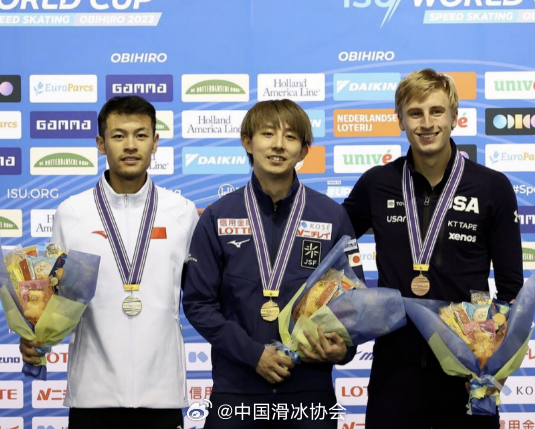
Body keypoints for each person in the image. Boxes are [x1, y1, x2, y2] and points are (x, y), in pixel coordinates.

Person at [342, 69, 523, 429]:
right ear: (400, 121)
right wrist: (350, 299)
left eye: (437, 111)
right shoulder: (377, 184)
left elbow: (511, 289)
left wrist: (497, 362)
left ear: (455, 117)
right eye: (415, 113)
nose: (427, 123)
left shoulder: (492, 187)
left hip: (468, 371)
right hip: (396, 368)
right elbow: (333, 240)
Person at [19, 96, 199, 428]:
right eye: (118, 136)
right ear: (101, 143)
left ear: (155, 142)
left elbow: (202, 298)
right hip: (92, 395)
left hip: (162, 394)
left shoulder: (182, 213)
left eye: (141, 135)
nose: (130, 145)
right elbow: (54, 299)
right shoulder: (72, 213)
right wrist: (35, 335)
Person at [183, 99, 363, 429]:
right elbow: (198, 303)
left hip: (309, 393)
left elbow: (353, 301)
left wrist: (344, 350)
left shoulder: (331, 216)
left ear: (304, 150)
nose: (278, 145)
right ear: (247, 142)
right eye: (267, 134)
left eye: (290, 137)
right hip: (237, 391)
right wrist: (253, 354)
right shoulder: (218, 216)